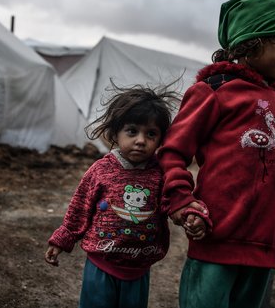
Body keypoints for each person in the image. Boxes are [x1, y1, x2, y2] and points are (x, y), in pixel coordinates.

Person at [158, 0, 275, 308]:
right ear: (250, 43)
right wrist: (183, 201)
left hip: (264, 245)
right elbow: (172, 152)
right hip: (218, 238)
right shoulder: (214, 92)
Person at [44, 84, 204, 308]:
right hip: (101, 262)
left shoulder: (160, 174)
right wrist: (62, 239)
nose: (141, 140)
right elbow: (80, 208)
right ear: (115, 133)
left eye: (151, 134)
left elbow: (173, 202)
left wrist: (188, 214)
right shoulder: (101, 170)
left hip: (139, 267)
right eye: (132, 131)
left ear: (161, 140)